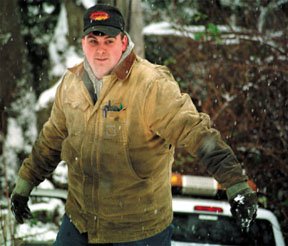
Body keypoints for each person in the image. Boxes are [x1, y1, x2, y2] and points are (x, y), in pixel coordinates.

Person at [10, 4, 258, 246]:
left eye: (109, 41)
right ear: (83, 43)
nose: (100, 51)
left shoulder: (150, 85)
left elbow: (194, 131)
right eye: (93, 42)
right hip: (79, 223)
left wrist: (236, 185)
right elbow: (51, 138)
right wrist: (24, 184)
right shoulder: (71, 83)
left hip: (138, 230)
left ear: (123, 42)